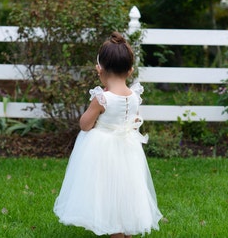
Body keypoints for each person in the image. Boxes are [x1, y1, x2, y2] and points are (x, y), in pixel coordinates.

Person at [54, 32, 163, 238]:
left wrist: (97, 103)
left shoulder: (102, 98)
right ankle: (126, 230)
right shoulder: (134, 96)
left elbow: (85, 125)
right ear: (130, 70)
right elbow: (134, 120)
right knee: (125, 191)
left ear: (100, 69)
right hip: (128, 150)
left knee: (106, 194)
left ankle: (116, 231)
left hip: (103, 150)